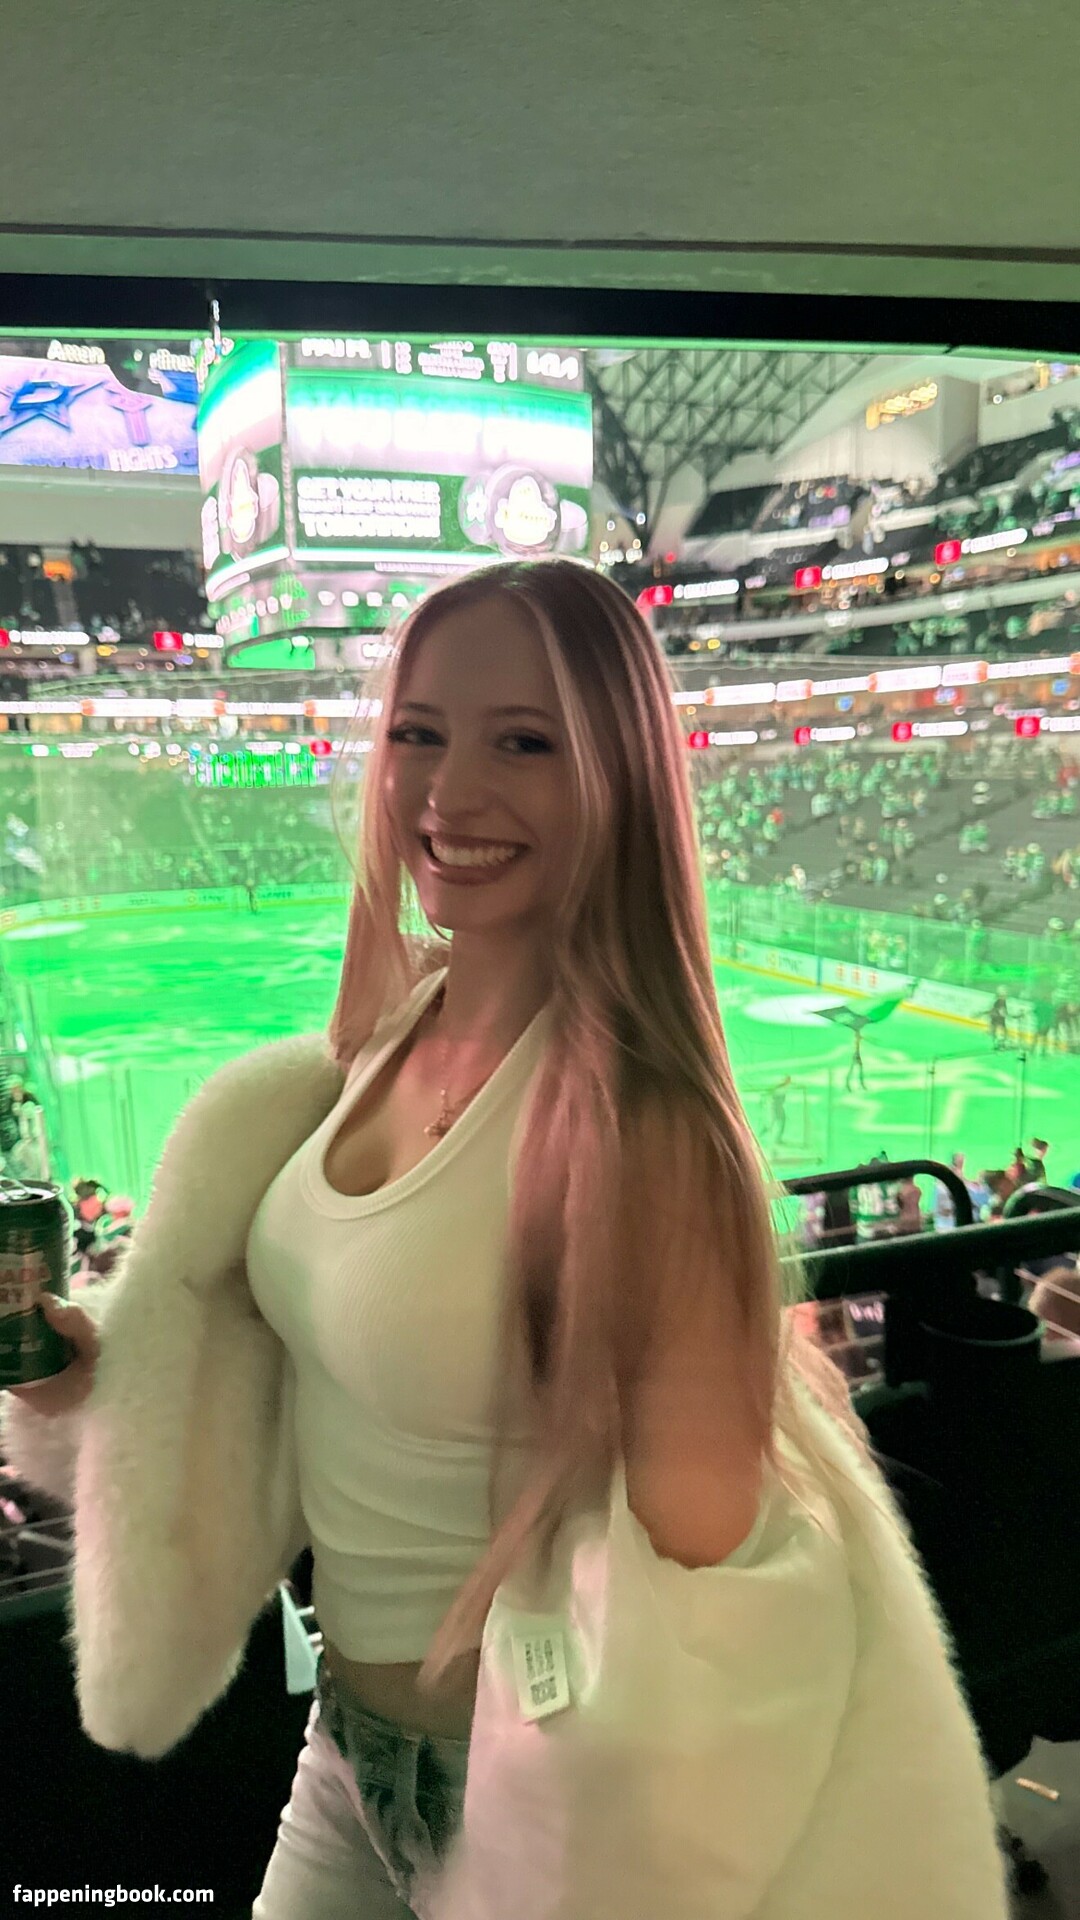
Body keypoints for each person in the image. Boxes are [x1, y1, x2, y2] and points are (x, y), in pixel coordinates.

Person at [0, 560, 1009, 1919]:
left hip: (530, 1804)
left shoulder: (650, 1138)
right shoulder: (369, 1053)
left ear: (617, 779)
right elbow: (328, 1390)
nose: (448, 792)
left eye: (522, 743)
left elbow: (715, 1627)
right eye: (420, 732)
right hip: (349, 1754)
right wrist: (97, 1392)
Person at [845, 1026, 867, 1092]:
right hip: (854, 1055)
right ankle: (848, 1084)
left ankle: (861, 1084)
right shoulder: (854, 1039)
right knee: (852, 1070)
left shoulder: (857, 1038)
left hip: (857, 1054)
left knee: (858, 1070)